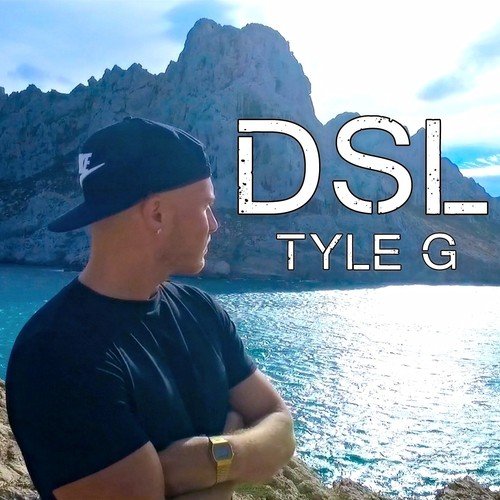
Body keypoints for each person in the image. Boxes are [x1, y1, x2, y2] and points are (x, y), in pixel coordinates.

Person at [5, 117, 296, 499]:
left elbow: (281, 428)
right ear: (157, 213)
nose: (214, 225)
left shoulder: (200, 310)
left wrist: (209, 459)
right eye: (206, 206)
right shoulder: (54, 356)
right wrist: (235, 434)